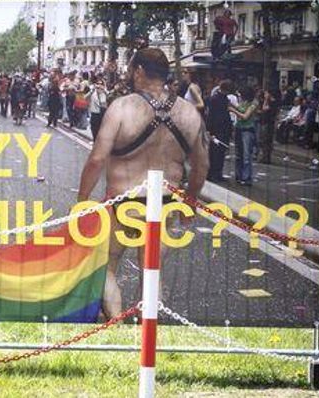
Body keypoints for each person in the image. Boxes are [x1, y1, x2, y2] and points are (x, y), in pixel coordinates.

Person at [76, 49, 207, 318]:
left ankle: (115, 326)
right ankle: (145, 332)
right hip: (165, 203)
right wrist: (190, 203)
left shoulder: (122, 108)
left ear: (138, 71)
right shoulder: (190, 113)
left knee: (107, 265)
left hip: (122, 202)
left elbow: (97, 159)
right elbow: (201, 166)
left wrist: (83, 200)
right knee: (152, 270)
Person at [206, 80, 234, 182]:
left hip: (222, 128)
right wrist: (209, 129)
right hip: (217, 128)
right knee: (215, 153)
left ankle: (217, 173)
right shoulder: (215, 99)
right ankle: (213, 174)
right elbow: (210, 115)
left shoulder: (221, 98)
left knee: (219, 152)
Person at [231, 85, 259, 186]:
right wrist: (232, 105)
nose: (240, 96)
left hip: (247, 130)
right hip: (239, 129)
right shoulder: (243, 102)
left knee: (246, 155)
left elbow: (245, 116)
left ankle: (247, 178)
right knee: (239, 154)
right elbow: (240, 108)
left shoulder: (254, 103)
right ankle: (239, 175)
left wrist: (233, 110)